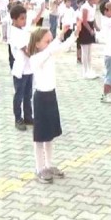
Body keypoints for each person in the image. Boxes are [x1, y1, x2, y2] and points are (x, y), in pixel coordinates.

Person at [27, 23, 80, 184]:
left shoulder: (49, 54)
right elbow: (51, 50)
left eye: (50, 41)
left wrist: (74, 34)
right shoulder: (35, 58)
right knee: (39, 137)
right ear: (37, 44)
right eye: (46, 41)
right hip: (41, 98)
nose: (50, 44)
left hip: (51, 95)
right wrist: (59, 36)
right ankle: (39, 168)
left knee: (49, 135)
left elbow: (62, 48)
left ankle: (49, 165)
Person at [8, 4, 35, 131]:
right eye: (22, 18)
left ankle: (28, 117)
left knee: (28, 95)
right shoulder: (14, 33)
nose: (24, 21)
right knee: (19, 95)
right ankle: (18, 119)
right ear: (14, 19)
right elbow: (26, 51)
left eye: (25, 18)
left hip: (29, 68)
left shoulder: (22, 30)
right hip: (20, 69)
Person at [78, 0, 100, 79]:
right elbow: (84, 21)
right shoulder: (85, 7)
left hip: (90, 26)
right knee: (85, 51)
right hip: (84, 28)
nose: (97, 0)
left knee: (89, 51)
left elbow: (93, 18)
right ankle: (85, 71)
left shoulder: (94, 6)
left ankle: (90, 70)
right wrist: (90, 30)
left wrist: (96, 26)